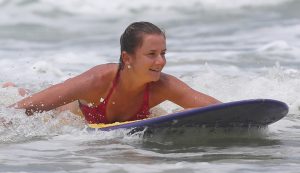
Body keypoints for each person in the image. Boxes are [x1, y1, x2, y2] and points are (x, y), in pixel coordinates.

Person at [8, 21, 221, 124]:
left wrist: (182, 115)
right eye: (152, 54)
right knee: (32, 102)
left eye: (163, 53)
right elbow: (20, 110)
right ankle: (14, 88)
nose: (161, 61)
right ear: (127, 58)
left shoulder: (164, 85)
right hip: (67, 115)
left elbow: (222, 110)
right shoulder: (96, 81)